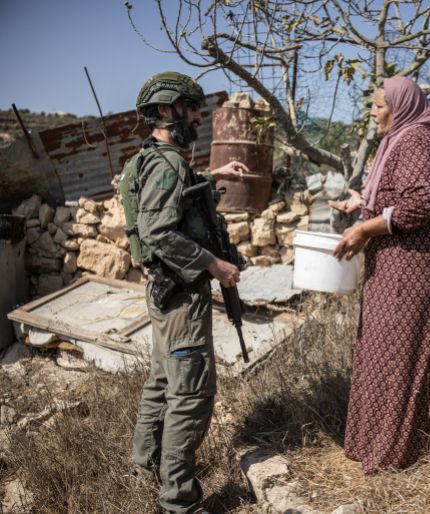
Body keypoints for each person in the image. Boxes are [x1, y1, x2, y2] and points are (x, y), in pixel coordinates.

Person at [126, 72, 248, 514]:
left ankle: (145, 466)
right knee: (191, 395)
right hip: (181, 298)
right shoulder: (168, 164)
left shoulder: (150, 158)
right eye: (191, 108)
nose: (198, 116)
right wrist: (214, 264)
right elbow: (158, 230)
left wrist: (214, 174)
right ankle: (179, 500)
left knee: (163, 381)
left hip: (165, 293)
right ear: (166, 110)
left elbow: (176, 196)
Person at [329, 76, 430, 474]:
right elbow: (396, 195)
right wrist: (362, 204)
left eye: (379, 106)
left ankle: (395, 451)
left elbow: (418, 206)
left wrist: (363, 229)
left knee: (400, 354)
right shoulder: (399, 140)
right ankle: (373, 442)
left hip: (416, 270)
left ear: (400, 107)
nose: (373, 114)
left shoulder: (416, 141)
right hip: (397, 267)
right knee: (383, 349)